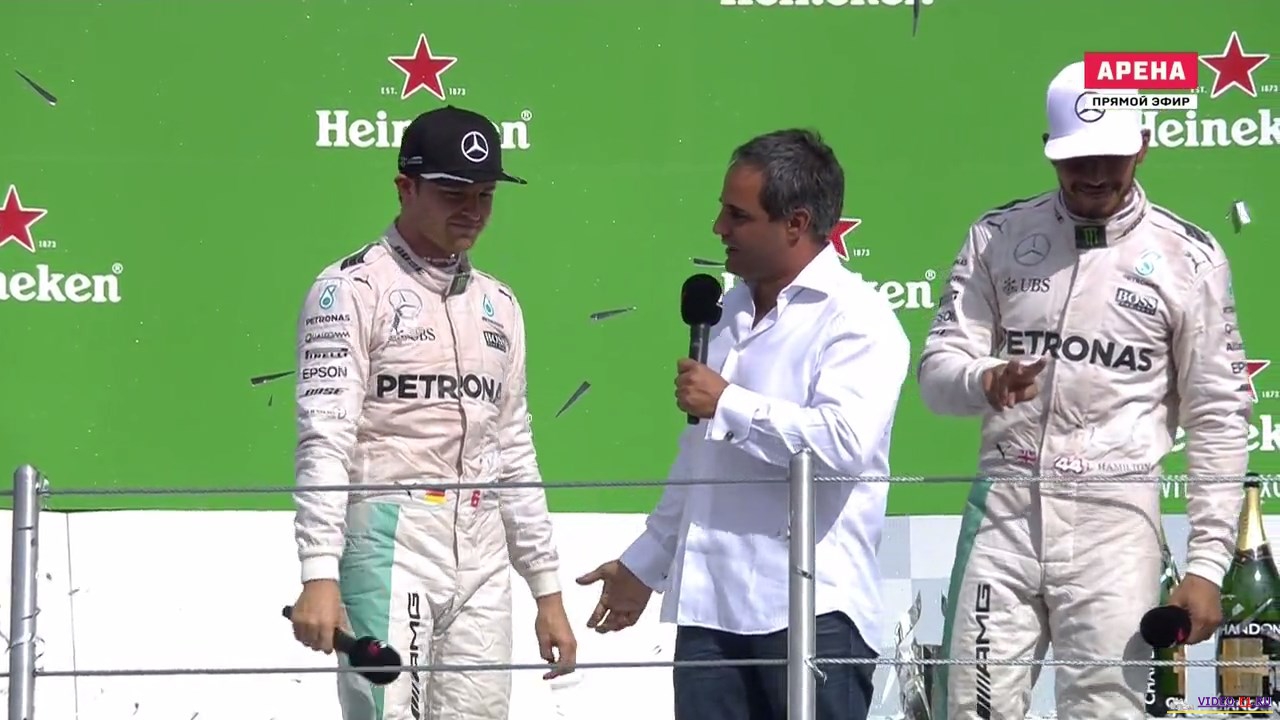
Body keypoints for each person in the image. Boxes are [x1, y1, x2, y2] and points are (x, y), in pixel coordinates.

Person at [919, 60, 1249, 718]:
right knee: (973, 709)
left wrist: (1207, 564)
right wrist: (986, 379)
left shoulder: (1190, 257)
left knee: (1105, 712)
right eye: (1076, 159)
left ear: (1143, 145)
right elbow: (936, 375)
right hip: (1005, 514)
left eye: (1111, 156)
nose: (1094, 174)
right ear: (1049, 149)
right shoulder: (998, 237)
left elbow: (1218, 414)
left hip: (1115, 522)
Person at [577, 129, 911, 720]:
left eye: (738, 215)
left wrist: (729, 404)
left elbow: (843, 444)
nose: (718, 228)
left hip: (812, 610)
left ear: (795, 223)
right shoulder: (725, 311)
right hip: (709, 612)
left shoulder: (858, 317)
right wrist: (644, 563)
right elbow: (700, 456)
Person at [287, 105, 577, 720]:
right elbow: (325, 437)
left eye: (485, 195)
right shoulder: (349, 290)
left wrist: (546, 590)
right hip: (391, 538)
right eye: (452, 194)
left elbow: (514, 448)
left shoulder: (501, 304)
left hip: (484, 549)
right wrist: (318, 571)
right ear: (405, 187)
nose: (472, 210)